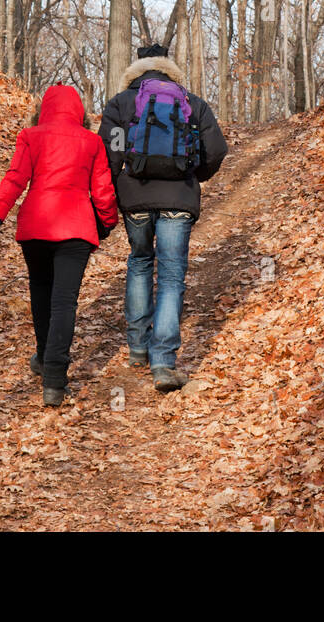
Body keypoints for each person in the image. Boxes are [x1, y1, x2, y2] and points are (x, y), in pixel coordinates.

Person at [0, 84, 117, 407]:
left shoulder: (31, 136)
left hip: (36, 229)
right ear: (79, 112)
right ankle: (54, 380)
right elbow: (104, 191)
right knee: (64, 302)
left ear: (44, 109)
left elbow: (14, 180)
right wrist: (106, 223)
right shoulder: (92, 142)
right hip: (76, 231)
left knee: (41, 293)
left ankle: (43, 355)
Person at [99, 44, 227, 392]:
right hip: (178, 199)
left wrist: (113, 190)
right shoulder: (192, 102)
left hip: (135, 198)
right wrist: (192, 175)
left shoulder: (121, 103)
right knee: (171, 276)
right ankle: (163, 363)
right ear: (170, 69)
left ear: (136, 70)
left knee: (140, 262)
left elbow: (110, 152)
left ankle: (138, 347)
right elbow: (216, 150)